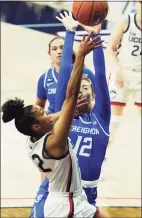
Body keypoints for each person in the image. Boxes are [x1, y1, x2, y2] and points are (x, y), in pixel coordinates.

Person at [2, 33, 103, 218]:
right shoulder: (55, 141)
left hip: (70, 199)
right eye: (43, 114)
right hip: (66, 205)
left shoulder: (32, 140)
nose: (48, 113)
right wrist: (80, 56)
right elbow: (70, 97)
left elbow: (58, 114)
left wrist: (69, 112)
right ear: (36, 126)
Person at [29, 12, 110, 217]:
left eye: (86, 87)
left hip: (87, 192)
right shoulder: (65, 121)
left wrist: (96, 36)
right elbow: (66, 77)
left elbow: (100, 77)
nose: (81, 90)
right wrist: (70, 32)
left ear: (94, 96)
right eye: (78, 88)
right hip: (56, 190)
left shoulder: (101, 119)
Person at [36, 17, 96, 114]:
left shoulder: (85, 72)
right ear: (49, 54)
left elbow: (100, 99)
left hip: (81, 123)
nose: (59, 51)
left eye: (62, 48)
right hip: (56, 124)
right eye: (54, 49)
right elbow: (38, 107)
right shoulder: (44, 78)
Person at [106, 0, 142, 143]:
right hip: (122, 74)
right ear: (135, 4)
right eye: (140, 2)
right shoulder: (126, 21)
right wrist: (117, 69)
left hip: (140, 77)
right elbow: (110, 49)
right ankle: (101, 156)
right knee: (113, 122)